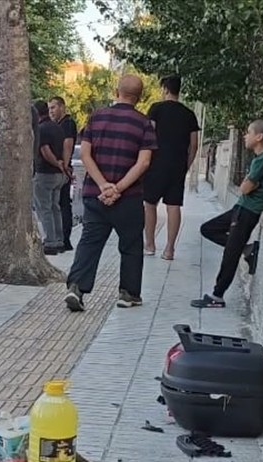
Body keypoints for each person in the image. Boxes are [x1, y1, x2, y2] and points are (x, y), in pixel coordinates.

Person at [64, 74, 157, 312]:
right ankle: (128, 293)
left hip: (95, 194)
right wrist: (118, 187)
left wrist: (103, 184)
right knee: (131, 244)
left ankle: (76, 287)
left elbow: (85, 154)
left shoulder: (96, 117)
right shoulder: (144, 123)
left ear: (117, 92)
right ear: (140, 97)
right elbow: (144, 162)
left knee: (90, 241)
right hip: (129, 197)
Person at [190, 119, 263, 309]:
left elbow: (245, 188)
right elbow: (244, 187)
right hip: (241, 208)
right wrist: (247, 184)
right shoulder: (258, 159)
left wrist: (247, 183)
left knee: (230, 253)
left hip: (248, 210)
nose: (245, 136)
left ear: (259, 137)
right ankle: (246, 249)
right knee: (208, 229)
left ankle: (217, 296)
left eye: (248, 132)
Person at [143, 75, 200, 260]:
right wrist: (187, 165)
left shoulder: (156, 109)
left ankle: (150, 245)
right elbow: (194, 145)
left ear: (165, 89)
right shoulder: (189, 114)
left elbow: (148, 135)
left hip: (156, 163)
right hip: (177, 166)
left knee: (149, 204)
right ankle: (169, 249)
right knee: (174, 206)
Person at [32, 101, 67, 255]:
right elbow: (66, 147)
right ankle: (59, 240)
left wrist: (56, 164)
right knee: (55, 207)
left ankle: (50, 242)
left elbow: (45, 151)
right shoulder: (58, 128)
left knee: (44, 208)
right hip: (59, 175)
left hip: (45, 173)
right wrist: (63, 167)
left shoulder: (41, 129)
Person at [49, 96, 78, 251]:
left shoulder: (67, 123)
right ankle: (60, 238)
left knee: (63, 205)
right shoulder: (59, 124)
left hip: (62, 169)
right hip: (59, 168)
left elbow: (68, 144)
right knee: (58, 204)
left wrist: (65, 167)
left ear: (62, 107)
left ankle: (65, 239)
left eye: (53, 107)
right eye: (49, 108)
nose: (51, 111)